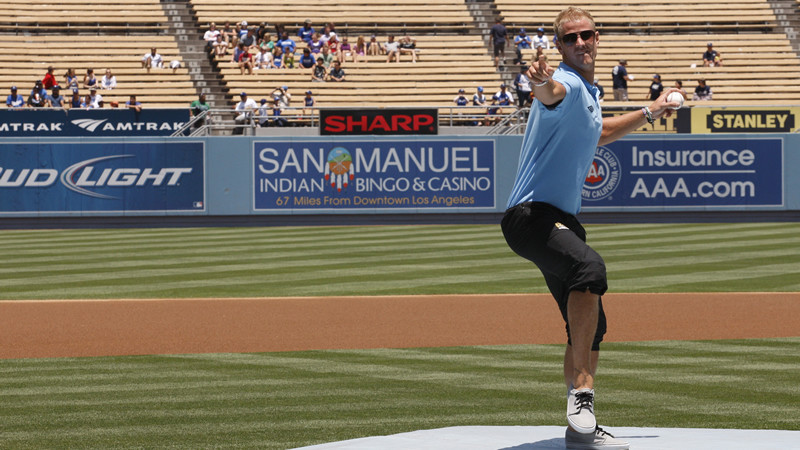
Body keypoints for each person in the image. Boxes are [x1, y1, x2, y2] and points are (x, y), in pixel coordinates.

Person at [503, 7, 681, 450]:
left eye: (585, 36)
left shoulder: (590, 92)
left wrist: (651, 109)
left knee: (591, 323)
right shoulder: (566, 85)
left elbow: (598, 133)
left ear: (597, 38)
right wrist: (540, 81)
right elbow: (549, 92)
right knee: (590, 270)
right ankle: (582, 393)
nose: (579, 43)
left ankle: (579, 430)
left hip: (561, 220)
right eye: (569, 38)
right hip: (530, 216)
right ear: (561, 46)